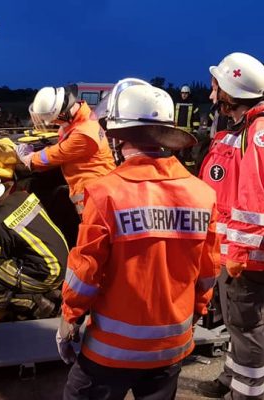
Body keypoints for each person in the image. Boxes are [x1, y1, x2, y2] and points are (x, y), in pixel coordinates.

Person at [56, 78, 221, 399]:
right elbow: (208, 272)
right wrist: (197, 311)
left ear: (118, 139)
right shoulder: (203, 194)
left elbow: (85, 272)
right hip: (171, 347)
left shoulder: (106, 194)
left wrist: (70, 318)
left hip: (110, 351)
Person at [198, 52, 264, 399]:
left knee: (246, 325)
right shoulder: (239, 128)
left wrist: (240, 253)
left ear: (231, 91)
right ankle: (232, 378)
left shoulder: (260, 131)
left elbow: (254, 198)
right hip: (231, 250)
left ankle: (247, 393)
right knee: (233, 321)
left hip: (245, 255)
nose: (212, 94)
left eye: (217, 87)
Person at [0, 170, 69, 319]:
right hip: (64, 261)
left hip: (46, 273)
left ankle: (35, 305)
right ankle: (46, 292)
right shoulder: (24, 196)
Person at [15, 84, 115, 216]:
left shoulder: (84, 134)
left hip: (92, 193)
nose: (52, 123)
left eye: (53, 119)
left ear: (63, 113)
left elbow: (53, 155)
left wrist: (29, 158)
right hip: (96, 185)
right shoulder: (80, 118)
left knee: (92, 230)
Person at [174, 85, 201, 173]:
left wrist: (195, 130)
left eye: (186, 93)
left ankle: (190, 171)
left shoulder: (193, 105)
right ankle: (174, 169)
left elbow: (196, 119)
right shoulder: (176, 104)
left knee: (187, 154)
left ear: (189, 94)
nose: (184, 95)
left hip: (188, 133)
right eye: (183, 93)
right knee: (174, 153)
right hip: (176, 132)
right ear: (180, 93)